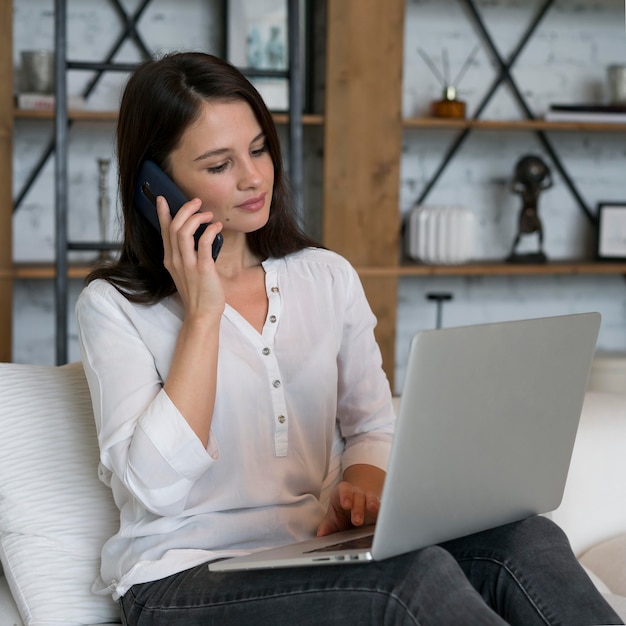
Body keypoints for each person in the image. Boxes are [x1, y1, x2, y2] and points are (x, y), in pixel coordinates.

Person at [75, 51, 622, 626]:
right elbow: (154, 490)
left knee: (524, 538)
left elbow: (369, 426)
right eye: (219, 164)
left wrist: (361, 489)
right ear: (153, 185)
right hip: (182, 580)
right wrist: (203, 314)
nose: (254, 177)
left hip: (308, 553)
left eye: (259, 149)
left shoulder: (326, 277)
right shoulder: (114, 308)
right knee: (408, 583)